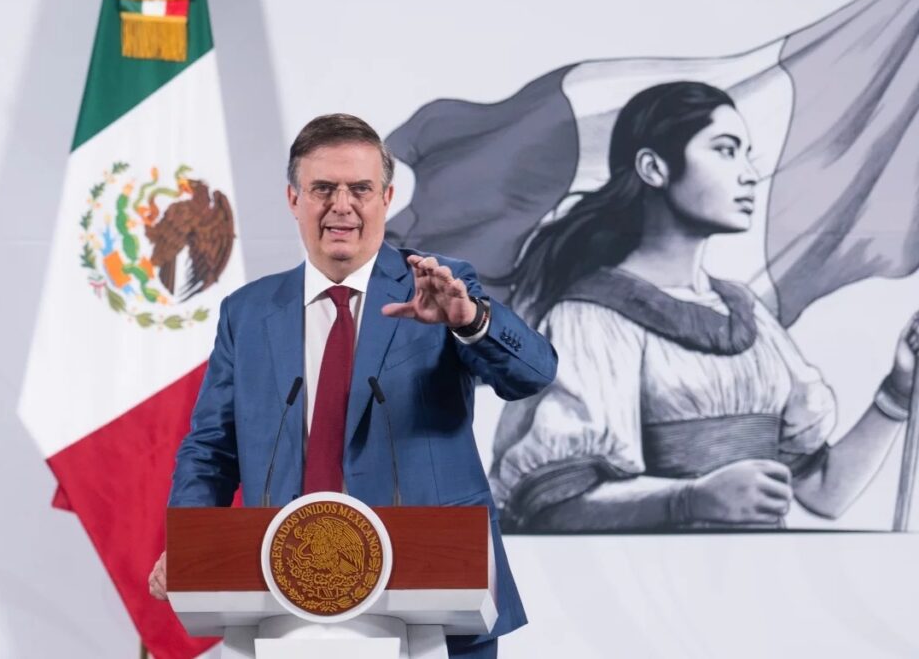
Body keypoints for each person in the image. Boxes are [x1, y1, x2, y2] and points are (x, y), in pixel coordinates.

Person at [148, 113, 558, 656]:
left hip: (437, 593)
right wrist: (191, 539)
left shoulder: (439, 287)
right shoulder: (247, 313)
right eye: (323, 188)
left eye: (360, 189)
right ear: (294, 199)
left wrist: (471, 321)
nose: (342, 206)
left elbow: (533, 374)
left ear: (386, 198)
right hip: (283, 597)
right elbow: (211, 449)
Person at [488, 81, 919, 532]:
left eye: (747, 154)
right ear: (653, 168)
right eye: (725, 150)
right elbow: (553, 506)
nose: (749, 174)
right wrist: (690, 500)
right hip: (652, 575)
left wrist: (898, 391)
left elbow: (824, 493)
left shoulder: (747, 315)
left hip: (759, 572)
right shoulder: (591, 317)